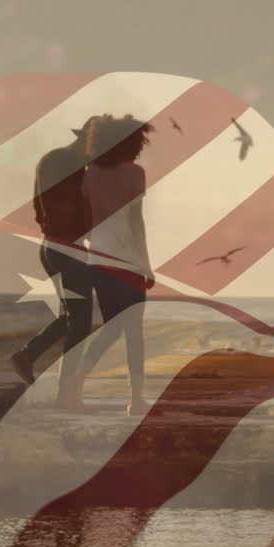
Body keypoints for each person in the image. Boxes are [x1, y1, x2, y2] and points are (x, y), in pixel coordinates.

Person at [59, 114, 156, 415]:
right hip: (127, 260)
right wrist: (147, 264)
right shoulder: (135, 173)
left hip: (97, 259)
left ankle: (78, 379)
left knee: (114, 327)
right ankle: (136, 399)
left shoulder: (90, 174)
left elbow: (86, 220)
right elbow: (135, 222)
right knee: (132, 330)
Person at [10, 117, 102, 407]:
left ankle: (28, 355)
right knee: (81, 320)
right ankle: (65, 393)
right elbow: (57, 203)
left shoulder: (68, 162)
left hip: (59, 244)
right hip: (64, 246)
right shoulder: (61, 160)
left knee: (71, 316)